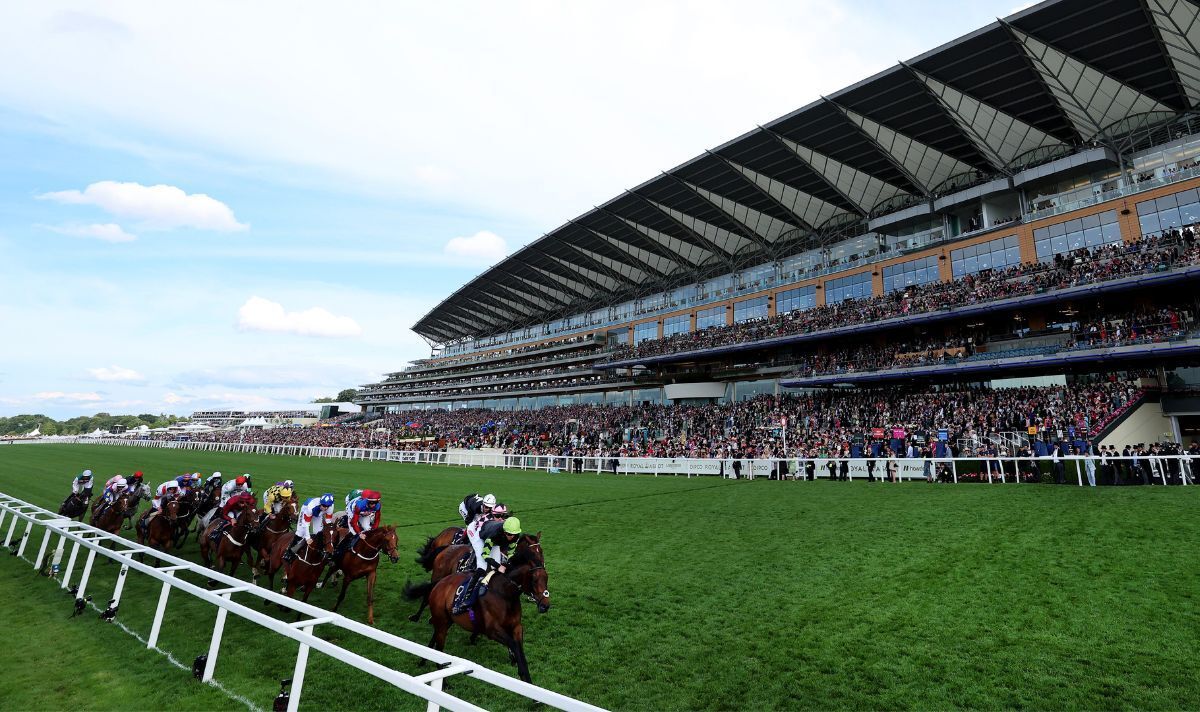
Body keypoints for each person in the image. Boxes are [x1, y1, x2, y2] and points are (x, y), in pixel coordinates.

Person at [453, 516, 522, 614]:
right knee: (482, 568)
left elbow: (510, 554)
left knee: (496, 569)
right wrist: (499, 566)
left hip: (495, 540)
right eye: (508, 534)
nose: (511, 536)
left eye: (513, 535)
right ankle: (465, 600)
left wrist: (511, 563)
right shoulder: (494, 535)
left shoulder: (515, 535)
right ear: (504, 531)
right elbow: (485, 555)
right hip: (480, 536)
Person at [284, 493, 336, 564]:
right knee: (300, 533)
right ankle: (289, 552)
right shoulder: (310, 507)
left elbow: (328, 521)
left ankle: (321, 552)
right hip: (306, 510)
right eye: (324, 505)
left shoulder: (331, 506)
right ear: (321, 503)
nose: (326, 508)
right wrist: (308, 538)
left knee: (318, 533)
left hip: (318, 514)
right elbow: (306, 524)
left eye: (328, 506)